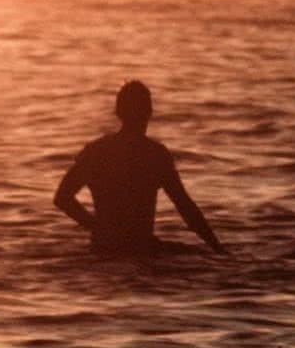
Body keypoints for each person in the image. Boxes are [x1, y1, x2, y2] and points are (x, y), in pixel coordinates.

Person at [53, 80, 225, 256]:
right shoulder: (155, 155)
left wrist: (97, 227)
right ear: (150, 112)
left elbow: (62, 197)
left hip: (103, 248)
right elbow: (185, 207)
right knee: (197, 254)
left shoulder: (97, 152)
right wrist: (218, 249)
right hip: (142, 248)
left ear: (118, 112)